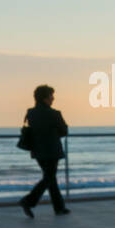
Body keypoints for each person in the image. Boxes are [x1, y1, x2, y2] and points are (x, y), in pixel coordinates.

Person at [19, 85, 71, 217]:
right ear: (45, 98)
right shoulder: (54, 114)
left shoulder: (30, 112)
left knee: (50, 178)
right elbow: (64, 131)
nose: (53, 98)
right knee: (49, 178)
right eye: (51, 96)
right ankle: (28, 200)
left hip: (37, 151)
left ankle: (59, 207)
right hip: (52, 150)